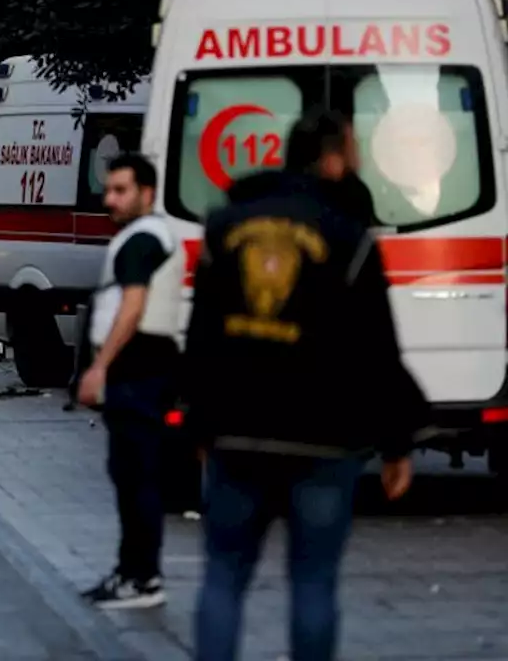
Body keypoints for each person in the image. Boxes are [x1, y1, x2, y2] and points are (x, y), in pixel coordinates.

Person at [185, 109, 428, 661]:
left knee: (223, 576)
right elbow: (378, 350)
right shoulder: (350, 237)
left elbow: (202, 337)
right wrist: (397, 443)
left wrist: (198, 423)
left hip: (236, 433)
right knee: (314, 583)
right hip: (324, 439)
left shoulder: (226, 226)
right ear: (336, 158)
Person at [77, 153, 184, 609]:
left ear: (147, 193)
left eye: (121, 190)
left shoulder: (142, 240)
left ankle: (141, 578)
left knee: (136, 476)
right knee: (131, 474)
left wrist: (101, 366)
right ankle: (132, 572)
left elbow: (133, 305)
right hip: (143, 369)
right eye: (109, 190)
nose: (110, 200)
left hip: (139, 370)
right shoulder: (149, 235)